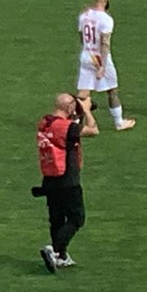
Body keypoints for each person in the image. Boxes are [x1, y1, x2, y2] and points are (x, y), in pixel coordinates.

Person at [36, 92, 98, 271]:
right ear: (69, 107)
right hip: (67, 179)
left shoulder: (45, 122)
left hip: (50, 178)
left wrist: (76, 115)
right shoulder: (66, 127)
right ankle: (54, 250)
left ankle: (61, 256)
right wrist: (87, 111)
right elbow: (93, 130)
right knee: (76, 218)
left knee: (56, 218)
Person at [76, 0, 135, 131]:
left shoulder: (83, 16)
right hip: (99, 59)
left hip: (86, 55)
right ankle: (119, 122)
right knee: (112, 90)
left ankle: (76, 123)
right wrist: (102, 66)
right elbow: (105, 43)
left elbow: (81, 37)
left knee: (83, 93)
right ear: (106, 0)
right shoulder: (106, 19)